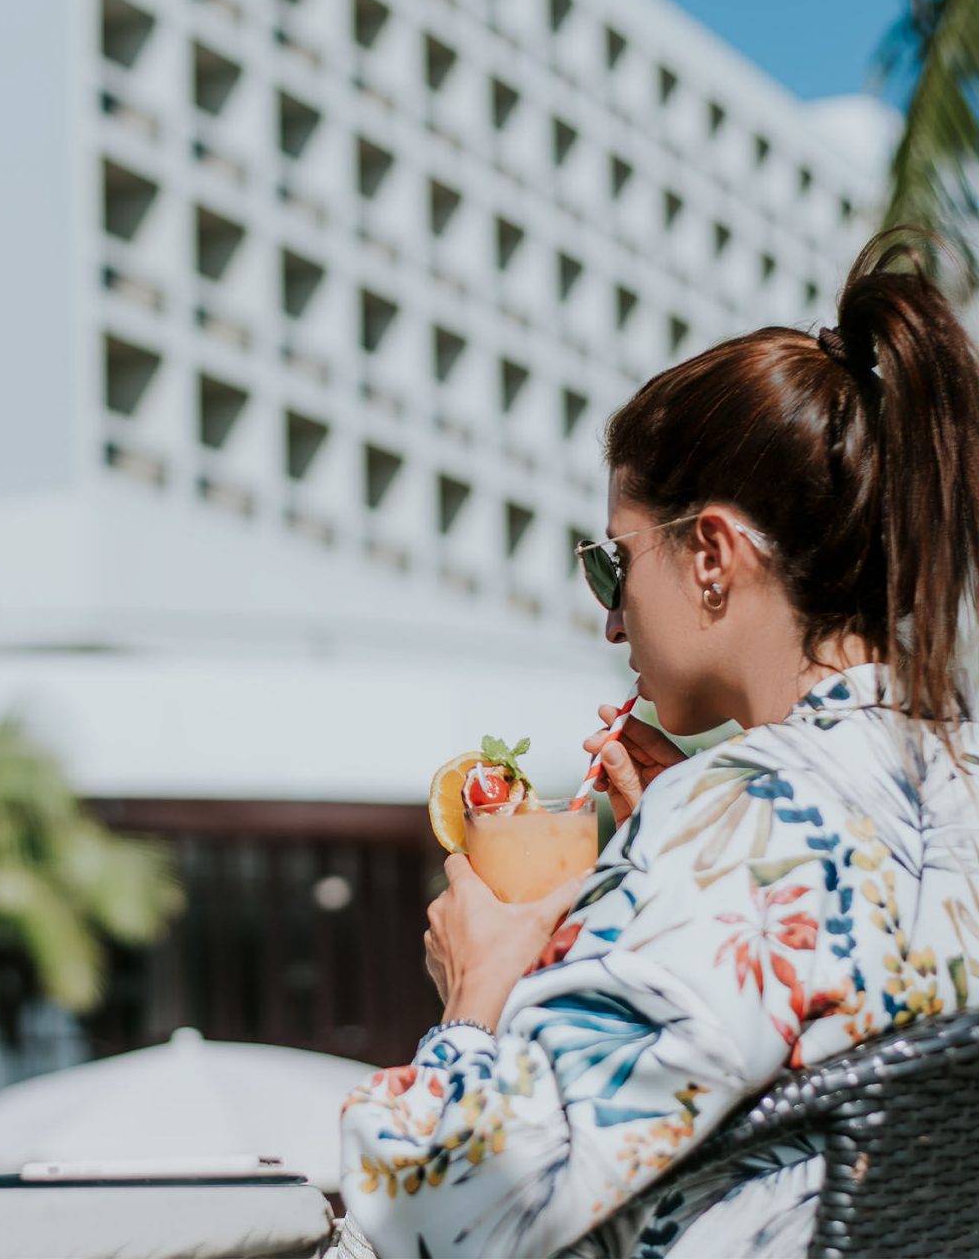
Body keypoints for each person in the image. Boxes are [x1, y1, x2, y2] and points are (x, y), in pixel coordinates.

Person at [336, 232, 979, 1258]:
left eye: (612, 566)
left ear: (711, 554)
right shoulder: (951, 778)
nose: (609, 619)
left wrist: (474, 995)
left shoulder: (728, 827)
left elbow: (444, 1218)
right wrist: (660, 862)